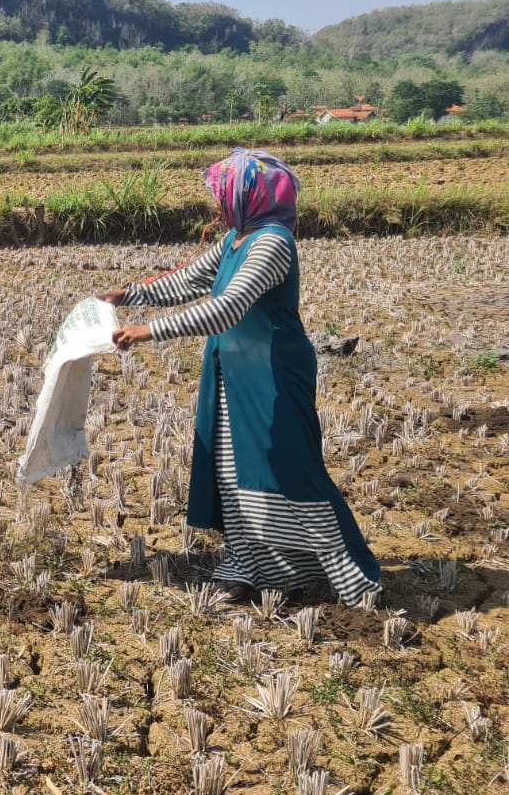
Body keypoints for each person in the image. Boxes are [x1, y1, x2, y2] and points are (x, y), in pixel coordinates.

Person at [100, 149, 379, 606]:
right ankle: (249, 566)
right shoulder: (236, 236)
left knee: (291, 470)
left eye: (224, 192)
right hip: (232, 372)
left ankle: (353, 578)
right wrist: (129, 293)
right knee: (233, 472)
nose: (218, 202)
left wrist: (149, 330)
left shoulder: (271, 243)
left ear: (251, 195)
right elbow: (190, 280)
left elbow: (228, 305)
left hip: (272, 374)